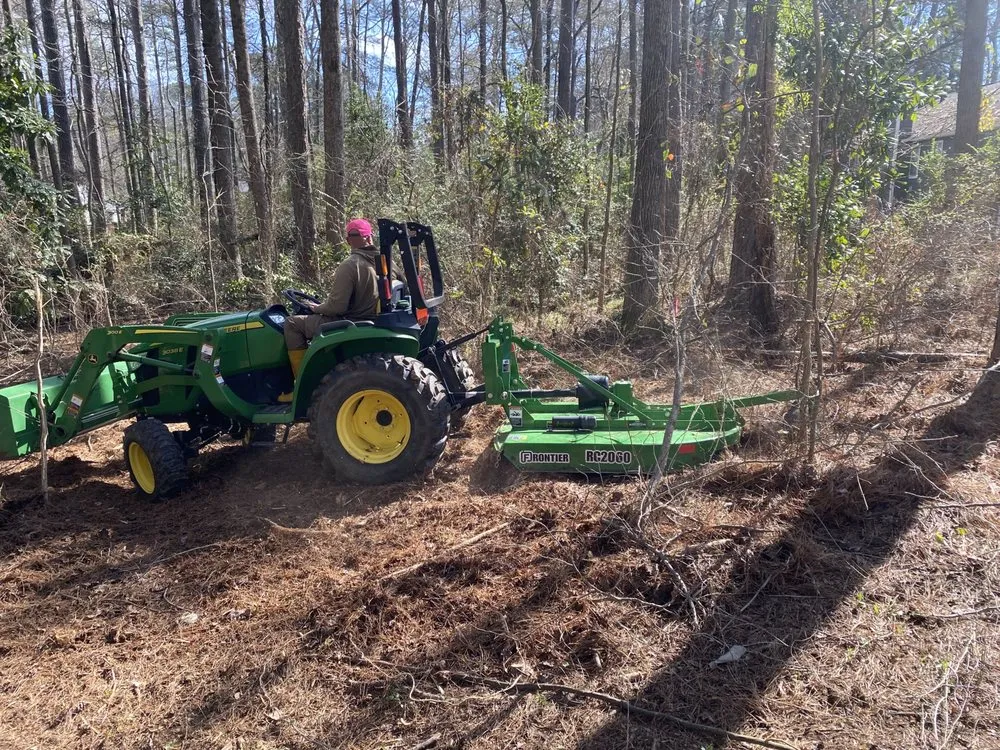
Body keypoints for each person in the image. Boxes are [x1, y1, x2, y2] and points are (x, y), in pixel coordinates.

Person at [279, 218, 380, 401]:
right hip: (371, 319)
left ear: (348, 240)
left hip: (350, 322)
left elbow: (337, 307)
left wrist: (317, 308)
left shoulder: (351, 265)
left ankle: (302, 387)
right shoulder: (384, 262)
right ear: (370, 237)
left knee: (292, 323)